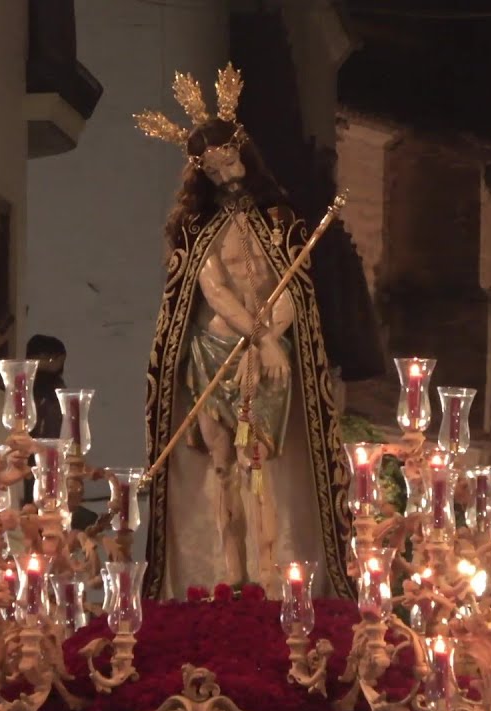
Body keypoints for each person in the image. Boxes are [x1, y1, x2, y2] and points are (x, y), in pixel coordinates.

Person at [136, 64, 351, 598]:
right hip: (215, 349)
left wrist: (272, 336)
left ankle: (269, 574)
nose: (224, 173)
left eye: (228, 159)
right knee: (223, 464)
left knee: (264, 465)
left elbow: (294, 290)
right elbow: (210, 289)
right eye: (211, 169)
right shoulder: (196, 229)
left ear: (243, 153)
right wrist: (256, 333)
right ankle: (228, 572)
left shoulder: (280, 221)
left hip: (268, 355)